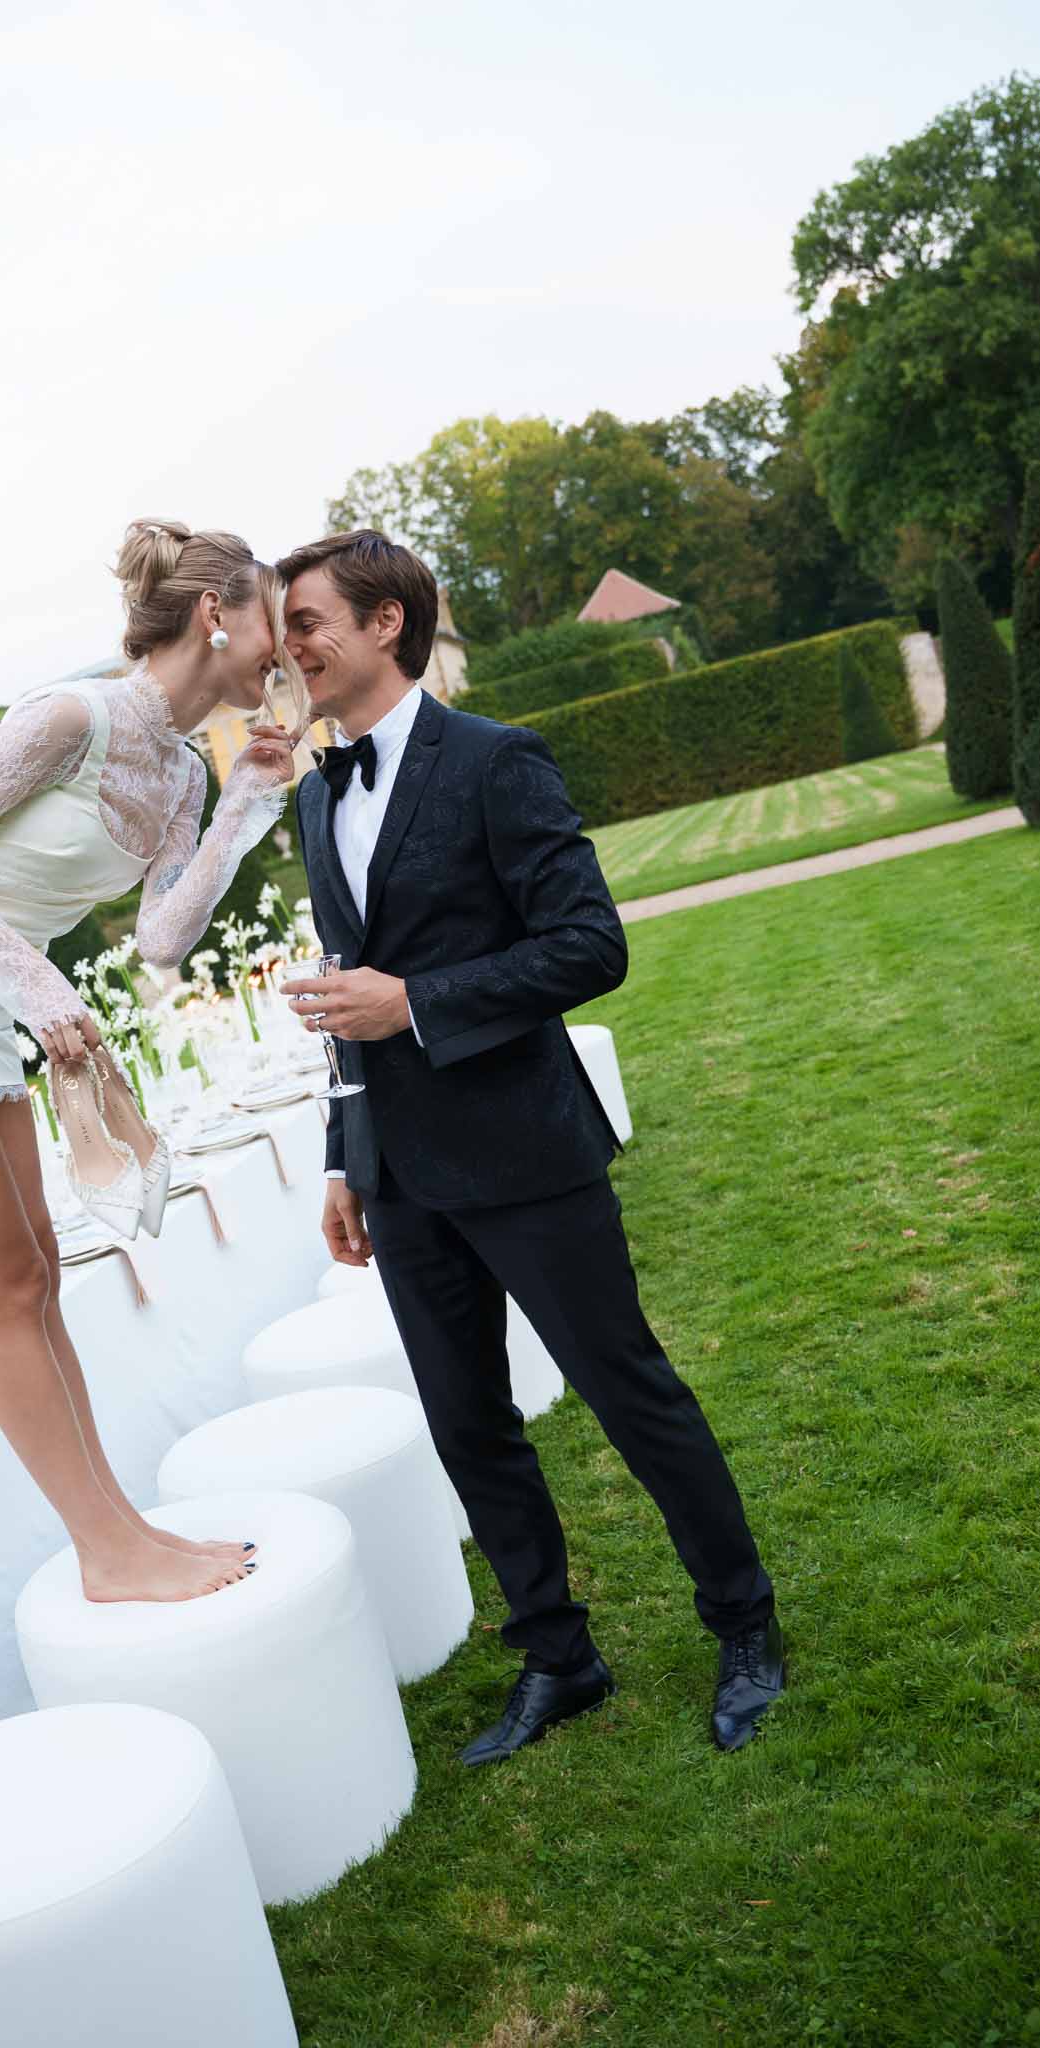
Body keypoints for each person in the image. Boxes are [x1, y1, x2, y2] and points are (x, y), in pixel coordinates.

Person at [279, 529, 784, 1757]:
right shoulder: (311, 792)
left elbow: (588, 943)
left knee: (630, 1394)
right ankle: (559, 1657)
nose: (286, 646)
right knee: (468, 1425)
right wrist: (348, 1156)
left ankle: (745, 1625)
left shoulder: (496, 762)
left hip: (522, 1151)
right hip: (399, 1176)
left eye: (304, 620)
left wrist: (420, 1003)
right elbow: (352, 994)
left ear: (385, 622)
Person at [0, 519, 303, 1605]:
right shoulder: (71, 714)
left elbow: (161, 940)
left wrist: (240, 804)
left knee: (36, 1275)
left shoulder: (184, 770)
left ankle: (118, 1528)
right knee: (6, 1283)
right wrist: (36, 988)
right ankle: (106, 1553)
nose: (284, 646)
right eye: (274, 615)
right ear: (215, 614)